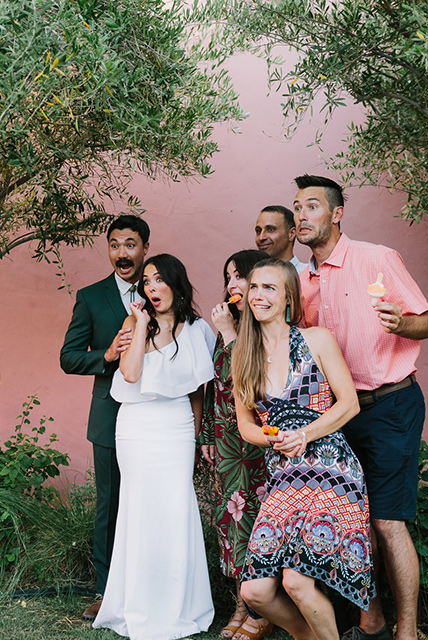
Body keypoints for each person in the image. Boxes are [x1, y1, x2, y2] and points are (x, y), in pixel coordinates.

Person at [293, 175, 428, 640]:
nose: (300, 215)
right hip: (335, 413)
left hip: (389, 404)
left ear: (336, 214)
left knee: (387, 519)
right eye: (296, 207)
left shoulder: (376, 258)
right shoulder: (300, 280)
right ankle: (371, 622)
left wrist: (403, 325)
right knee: (350, 519)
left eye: (311, 206)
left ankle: (407, 632)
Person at [233, 258, 373, 640]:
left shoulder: (317, 339)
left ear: (289, 296)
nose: (259, 295)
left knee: (295, 581)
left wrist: (306, 434)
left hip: (330, 467)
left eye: (270, 288)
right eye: (254, 287)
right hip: (285, 473)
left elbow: (349, 404)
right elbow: (246, 424)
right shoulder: (244, 354)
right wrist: (272, 437)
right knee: (254, 591)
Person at [93, 254, 216, 640]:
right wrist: (143, 323)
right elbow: (130, 373)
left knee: (176, 508)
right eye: (146, 281)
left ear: (176, 284)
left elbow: (198, 392)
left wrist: (196, 439)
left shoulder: (197, 331)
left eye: (159, 279)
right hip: (136, 425)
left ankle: (180, 603)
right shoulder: (135, 323)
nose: (151, 287)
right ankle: (138, 604)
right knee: (139, 508)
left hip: (177, 427)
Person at [59, 215, 150, 619]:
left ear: (144, 247)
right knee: (109, 504)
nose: (122, 253)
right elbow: (68, 357)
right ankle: (104, 590)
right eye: (114, 245)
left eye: (129, 244)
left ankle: (148, 585)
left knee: (151, 500)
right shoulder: (91, 297)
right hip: (110, 416)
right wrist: (107, 356)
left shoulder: (160, 289)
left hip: (156, 416)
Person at [199, 249, 274, 640]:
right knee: (231, 522)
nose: (232, 284)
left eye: (239, 276)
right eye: (228, 276)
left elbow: (242, 383)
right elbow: (215, 387)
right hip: (228, 443)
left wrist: (229, 334)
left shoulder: (263, 329)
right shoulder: (227, 327)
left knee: (259, 522)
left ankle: (263, 609)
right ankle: (241, 603)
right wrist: (209, 436)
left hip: (258, 441)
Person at [254, 205, 307, 273]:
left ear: (292, 234)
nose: (261, 237)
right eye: (258, 231)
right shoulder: (252, 275)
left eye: (270, 229)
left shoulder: (309, 275)